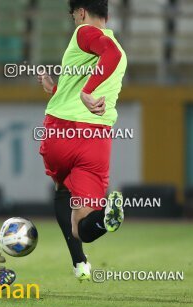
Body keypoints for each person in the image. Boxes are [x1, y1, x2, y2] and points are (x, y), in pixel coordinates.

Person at [37, 0, 127, 281]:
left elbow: (106, 53)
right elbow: (110, 56)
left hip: (61, 133)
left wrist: (87, 92)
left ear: (81, 12)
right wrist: (56, 90)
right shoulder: (122, 53)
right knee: (84, 226)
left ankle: (80, 264)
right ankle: (103, 222)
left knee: (63, 192)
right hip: (95, 139)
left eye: (74, 16)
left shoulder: (84, 32)